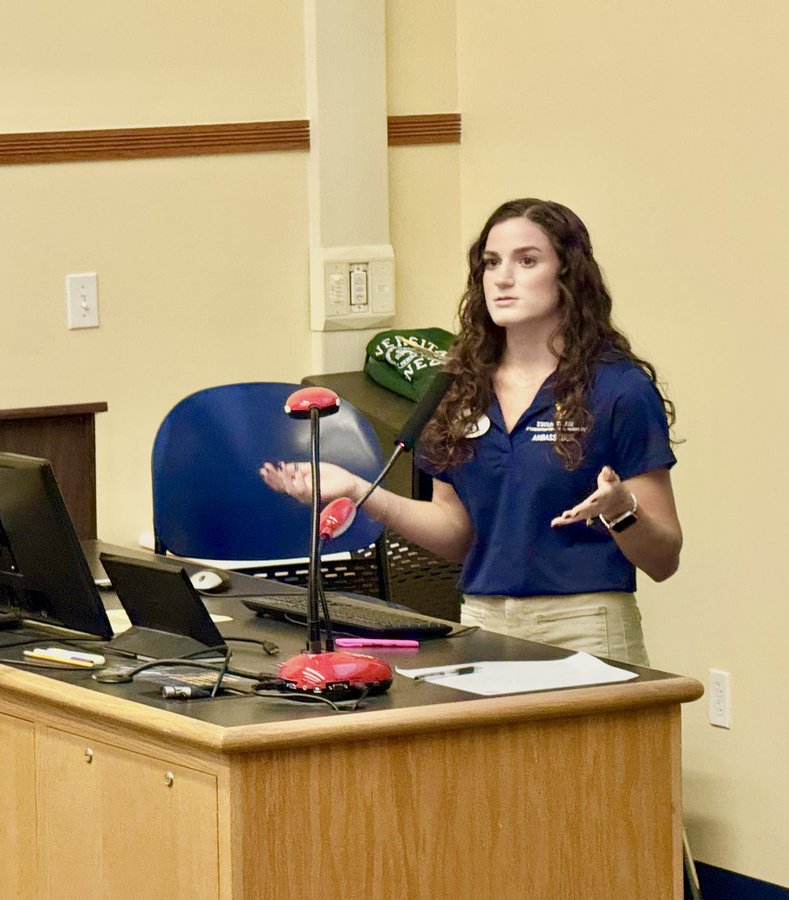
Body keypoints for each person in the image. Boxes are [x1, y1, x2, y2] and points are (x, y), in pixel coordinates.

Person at [260, 198, 681, 665]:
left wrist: (622, 510)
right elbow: (457, 534)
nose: (502, 278)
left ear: (568, 274)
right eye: (491, 263)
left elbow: (664, 560)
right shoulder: (459, 388)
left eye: (527, 260)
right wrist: (359, 491)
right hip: (484, 622)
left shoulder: (618, 388)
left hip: (584, 624)